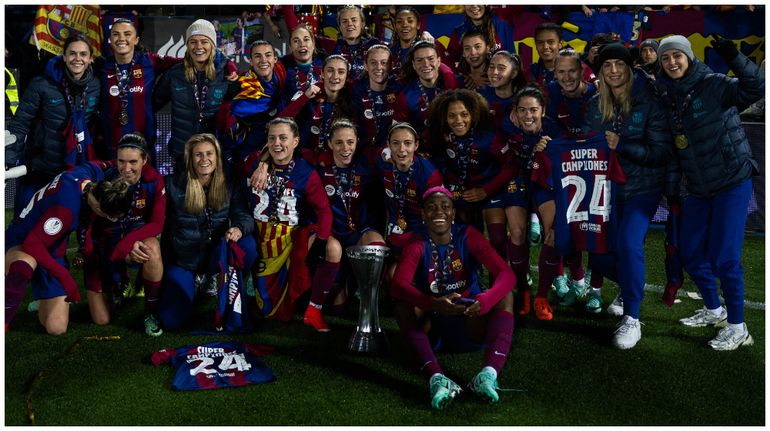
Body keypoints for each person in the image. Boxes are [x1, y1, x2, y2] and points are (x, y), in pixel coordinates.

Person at [656, 35, 763, 350]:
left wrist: (736, 58)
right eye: (666, 58)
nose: (672, 62)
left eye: (677, 56)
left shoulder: (715, 83)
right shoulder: (666, 95)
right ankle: (715, 310)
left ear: (689, 57)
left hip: (732, 181)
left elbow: (757, 88)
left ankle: (738, 326)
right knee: (690, 253)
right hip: (699, 187)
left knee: (725, 258)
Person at [391, 186, 515, 410]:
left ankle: (488, 375)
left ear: (453, 213)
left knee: (505, 294)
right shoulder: (417, 242)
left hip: (470, 318)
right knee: (402, 306)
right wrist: (432, 303)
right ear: (423, 214)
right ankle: (436, 378)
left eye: (445, 207)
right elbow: (398, 286)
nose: (439, 212)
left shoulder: (468, 235)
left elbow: (507, 275)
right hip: (434, 323)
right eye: (431, 207)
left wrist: (485, 300)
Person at [585, 43, 672, 349]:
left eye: (619, 65)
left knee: (629, 243)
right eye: (607, 65)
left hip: (642, 188)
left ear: (630, 68)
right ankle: (628, 283)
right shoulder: (596, 104)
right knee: (596, 254)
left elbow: (661, 152)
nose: (613, 70)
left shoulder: (649, 102)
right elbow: (584, 142)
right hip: (606, 191)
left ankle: (632, 319)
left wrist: (621, 145)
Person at [5, 162, 132, 334]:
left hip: (52, 246)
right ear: (97, 206)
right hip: (21, 241)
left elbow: (102, 164)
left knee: (56, 327)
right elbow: (32, 244)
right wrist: (66, 278)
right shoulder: (66, 208)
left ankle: (41, 297)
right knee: (25, 264)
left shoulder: (89, 174)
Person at [244, 118, 338, 331]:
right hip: (259, 237)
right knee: (267, 310)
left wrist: (321, 241)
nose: (277, 143)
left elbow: (324, 211)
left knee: (333, 247)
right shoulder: (253, 163)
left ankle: (314, 311)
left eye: (283, 138)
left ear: (296, 141)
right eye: (272, 138)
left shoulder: (306, 171)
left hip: (290, 240)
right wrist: (262, 162)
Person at [157, 134, 257, 331]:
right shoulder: (171, 185)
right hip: (183, 260)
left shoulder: (229, 183)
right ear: (189, 159)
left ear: (217, 157)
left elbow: (244, 215)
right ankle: (194, 282)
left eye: (209, 153)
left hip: (214, 256)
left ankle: (218, 282)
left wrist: (238, 228)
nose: (204, 159)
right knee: (171, 321)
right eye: (198, 155)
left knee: (248, 246)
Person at [81, 133, 165, 336]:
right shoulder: (103, 175)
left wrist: (126, 244)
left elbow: (156, 224)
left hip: (131, 237)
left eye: (133, 162)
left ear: (144, 159)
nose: (126, 169)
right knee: (102, 320)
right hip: (104, 243)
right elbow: (75, 176)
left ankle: (150, 313)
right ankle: (119, 282)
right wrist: (85, 188)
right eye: (121, 161)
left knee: (152, 249)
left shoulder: (154, 180)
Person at [6, 34, 100, 216]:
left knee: (57, 230)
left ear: (90, 59)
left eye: (83, 54)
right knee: (23, 229)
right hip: (38, 170)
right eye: (72, 54)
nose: (77, 59)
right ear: (64, 56)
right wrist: (8, 160)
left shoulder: (95, 85)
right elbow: (20, 124)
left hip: (71, 172)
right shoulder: (41, 84)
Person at [425, 89, 514, 263]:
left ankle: (501, 285)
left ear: (473, 113)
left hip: (490, 190)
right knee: (466, 237)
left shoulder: (488, 136)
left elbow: (510, 166)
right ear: (444, 117)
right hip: (461, 192)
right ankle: (473, 279)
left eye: (464, 114)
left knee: (497, 238)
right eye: (452, 116)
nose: (458, 121)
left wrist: (486, 190)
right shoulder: (440, 135)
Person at [501, 85, 564, 320]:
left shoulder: (555, 131)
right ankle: (523, 291)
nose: (528, 116)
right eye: (523, 110)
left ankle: (541, 296)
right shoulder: (506, 129)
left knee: (554, 235)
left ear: (543, 111)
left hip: (544, 185)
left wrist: (547, 153)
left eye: (534, 110)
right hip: (517, 182)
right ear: (514, 113)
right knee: (516, 233)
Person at [545, 47, 600, 312]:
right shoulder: (552, 92)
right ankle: (569, 279)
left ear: (582, 72)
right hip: (566, 167)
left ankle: (594, 282)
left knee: (597, 228)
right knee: (566, 227)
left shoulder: (597, 95)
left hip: (593, 167)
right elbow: (552, 130)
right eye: (561, 71)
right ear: (555, 73)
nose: (566, 76)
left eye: (572, 71)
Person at [153, 19, 240, 167]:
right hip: (183, 153)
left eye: (204, 41)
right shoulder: (174, 74)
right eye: (193, 42)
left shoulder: (226, 74)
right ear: (187, 45)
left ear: (212, 45)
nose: (198, 47)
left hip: (215, 154)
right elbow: (151, 104)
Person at [97, 17, 181, 160]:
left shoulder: (149, 61)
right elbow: (70, 63)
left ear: (136, 40)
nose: (121, 38)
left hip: (144, 144)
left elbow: (188, 61)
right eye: (116, 34)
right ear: (110, 39)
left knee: (146, 181)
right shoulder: (101, 66)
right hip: (111, 147)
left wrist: (228, 66)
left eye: (127, 34)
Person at [220, 40, 286, 169]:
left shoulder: (282, 73)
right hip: (248, 152)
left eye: (268, 55)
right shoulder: (243, 86)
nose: (263, 60)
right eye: (257, 56)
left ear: (275, 58)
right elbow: (227, 125)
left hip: (280, 148)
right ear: (250, 61)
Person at [277, 55, 354, 155]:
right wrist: (305, 97)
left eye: (341, 72)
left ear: (347, 76)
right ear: (322, 74)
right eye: (330, 70)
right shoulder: (307, 94)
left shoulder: (352, 100)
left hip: (335, 160)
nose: (335, 76)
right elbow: (280, 122)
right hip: (304, 159)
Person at [393, 41, 458, 142]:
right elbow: (398, 131)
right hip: (423, 150)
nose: (426, 64)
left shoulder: (451, 82)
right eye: (419, 60)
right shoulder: (406, 97)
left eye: (431, 58)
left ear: (439, 61)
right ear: (414, 65)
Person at [351, 44, 401, 149]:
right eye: (373, 63)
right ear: (365, 65)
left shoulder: (399, 89)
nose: (379, 67)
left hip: (390, 151)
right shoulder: (355, 90)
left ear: (391, 65)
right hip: (361, 151)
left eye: (384, 63)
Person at [445, 5, 515, 71]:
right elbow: (450, 63)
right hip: (470, 82)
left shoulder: (503, 25)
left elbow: (512, 61)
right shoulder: (458, 32)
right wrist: (468, 75)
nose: (474, 5)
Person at [531, 23, 595, 88]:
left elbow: (595, 85)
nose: (545, 47)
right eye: (540, 42)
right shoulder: (531, 72)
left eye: (550, 42)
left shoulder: (578, 66)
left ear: (560, 44)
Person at [387, 6, 442, 77]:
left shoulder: (430, 45)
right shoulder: (390, 51)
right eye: (399, 22)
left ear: (418, 25)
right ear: (395, 26)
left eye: (410, 21)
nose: (404, 25)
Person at [279, 24, 325, 107]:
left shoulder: (326, 66)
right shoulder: (281, 71)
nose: (302, 44)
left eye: (306, 39)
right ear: (290, 47)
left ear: (313, 44)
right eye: (296, 41)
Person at [477, 50, 527, 124]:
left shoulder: (524, 100)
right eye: (491, 67)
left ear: (513, 73)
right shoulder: (479, 95)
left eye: (501, 68)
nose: (494, 72)